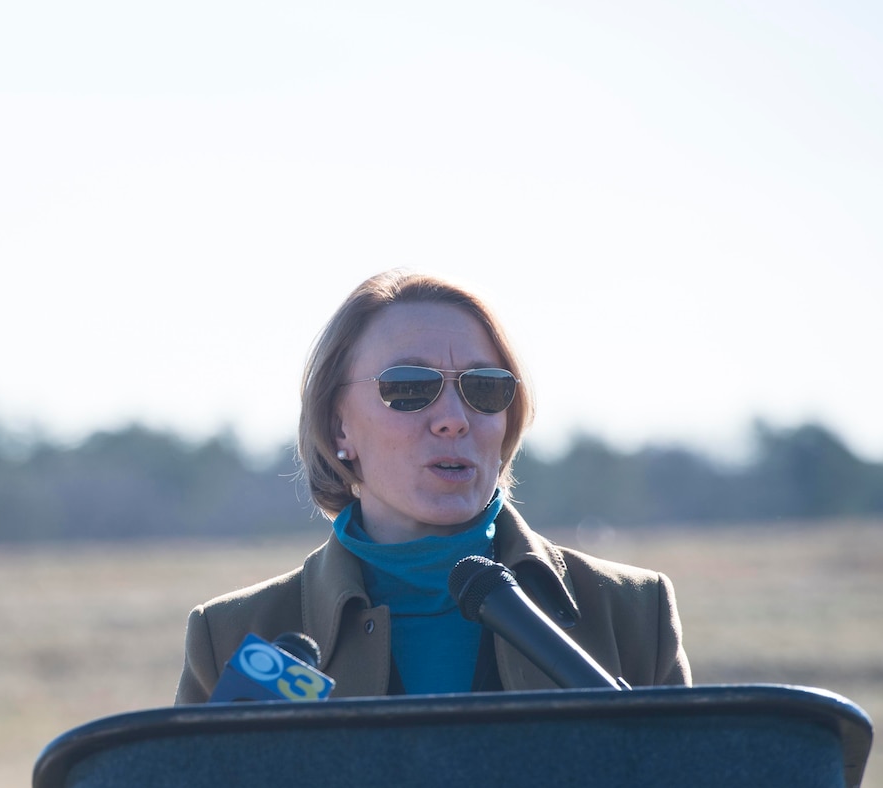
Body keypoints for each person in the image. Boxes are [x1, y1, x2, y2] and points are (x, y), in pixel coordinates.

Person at [176, 270, 690, 703]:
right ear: (339, 428)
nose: (452, 420)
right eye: (408, 388)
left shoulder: (633, 612)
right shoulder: (230, 638)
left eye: (484, 388)